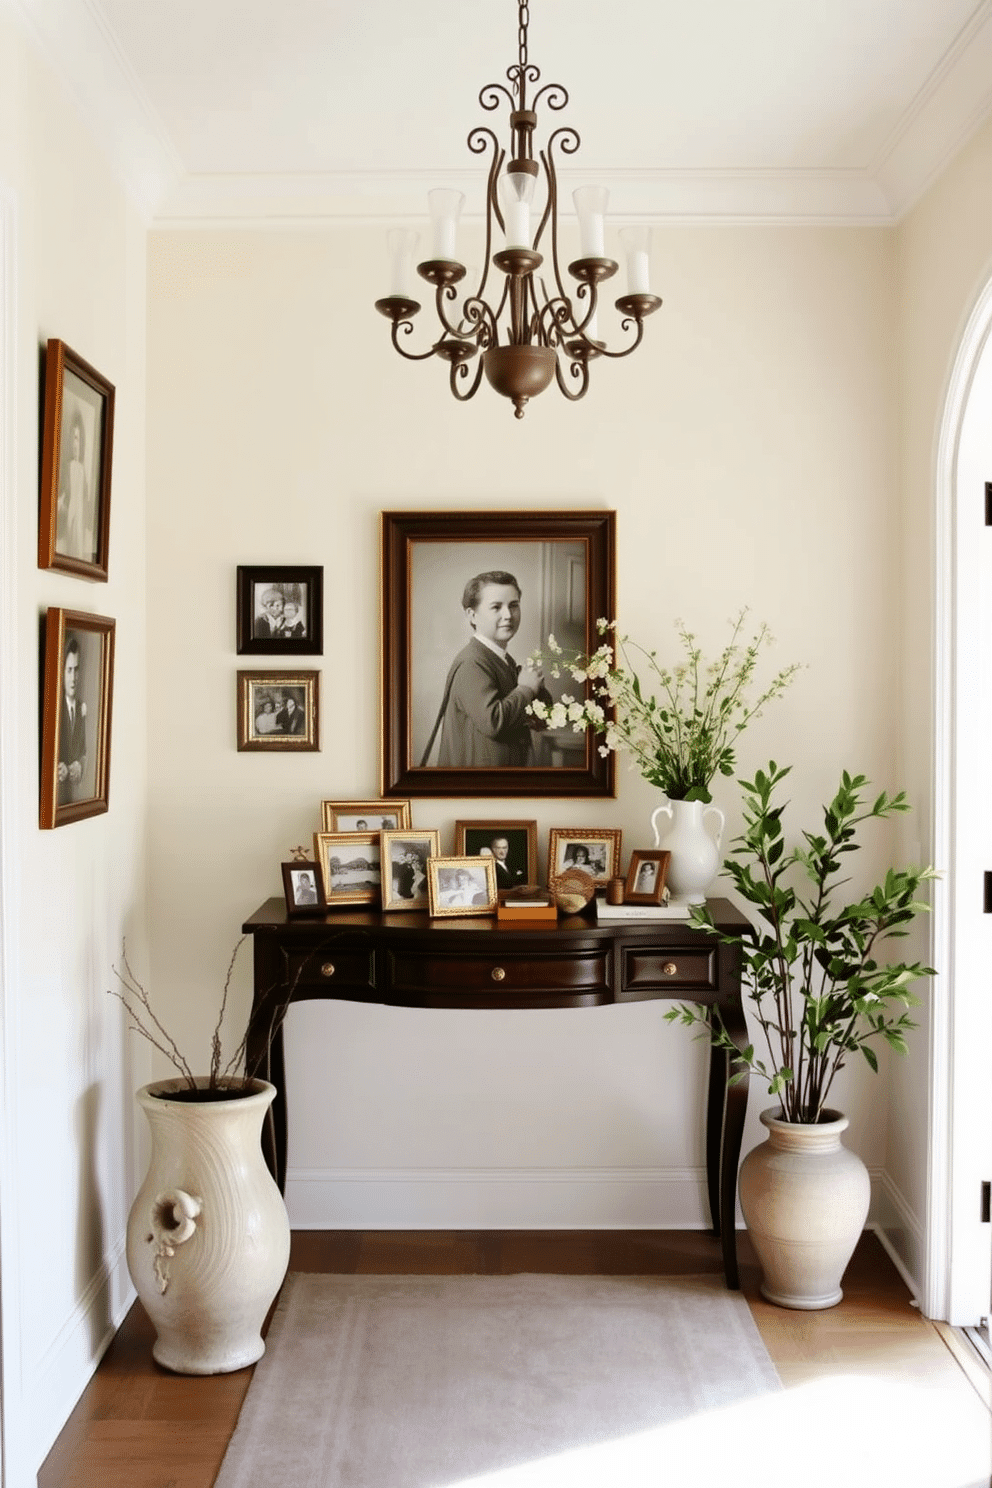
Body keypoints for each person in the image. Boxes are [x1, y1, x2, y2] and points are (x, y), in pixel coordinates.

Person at [426, 571, 552, 768]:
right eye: (496, 607)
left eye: (514, 605)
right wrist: (526, 689)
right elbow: (494, 722)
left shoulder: (501, 658)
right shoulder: (472, 662)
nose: (508, 615)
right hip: (476, 785)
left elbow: (533, 715)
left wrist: (537, 693)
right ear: (472, 615)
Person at [57, 636, 87, 805]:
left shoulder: (82, 707)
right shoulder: (55, 709)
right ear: (61, 671)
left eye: (76, 670)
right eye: (69, 670)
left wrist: (80, 767)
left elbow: (84, 751)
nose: (73, 677)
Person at [57, 411, 89, 560]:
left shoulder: (81, 471)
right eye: (74, 438)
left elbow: (82, 505)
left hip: (77, 529)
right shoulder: (66, 467)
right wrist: (62, 504)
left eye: (79, 439)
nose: (76, 444)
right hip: (66, 529)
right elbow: (61, 499)